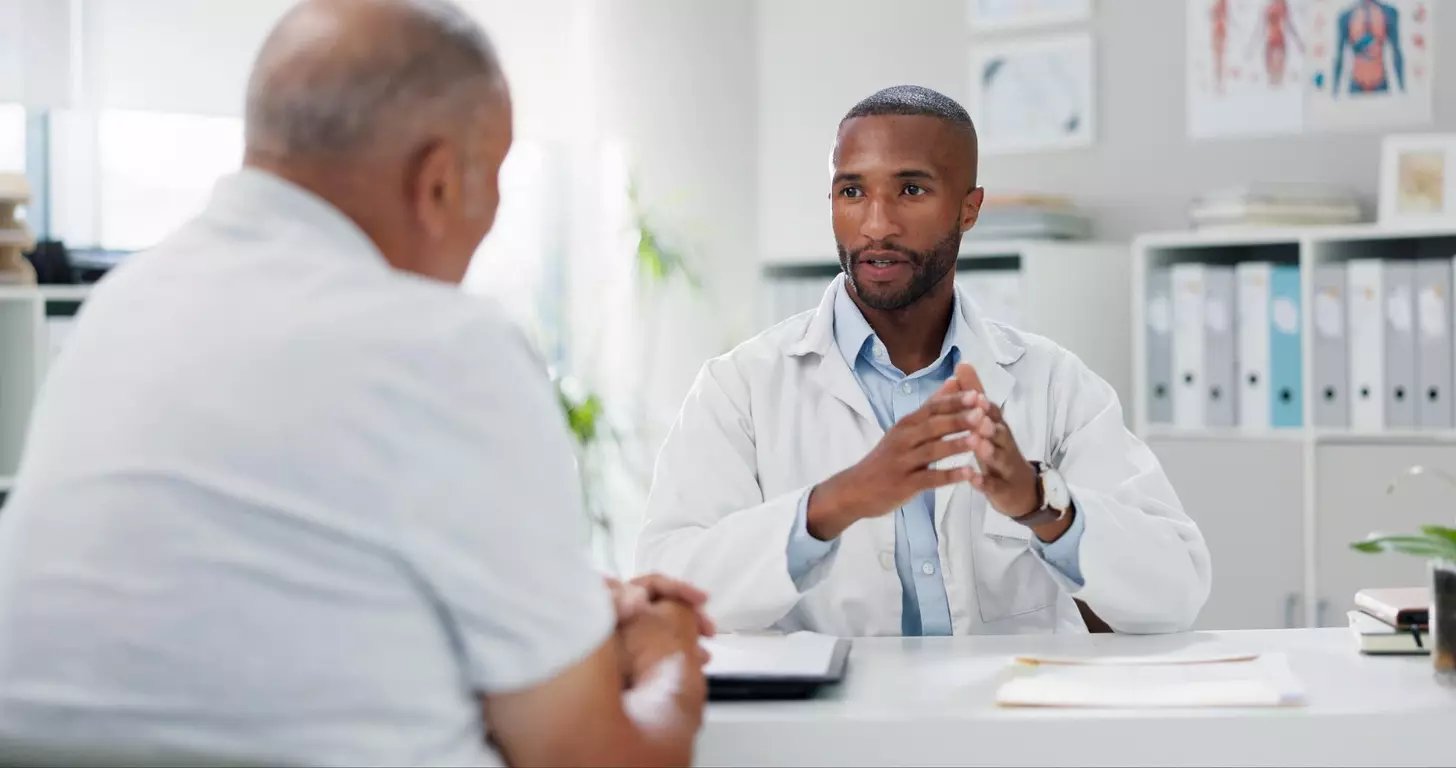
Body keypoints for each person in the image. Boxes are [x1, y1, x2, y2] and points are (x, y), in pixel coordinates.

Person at [0, 1, 711, 766]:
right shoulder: (448, 345)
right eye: (494, 179)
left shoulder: (120, 311)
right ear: (438, 183)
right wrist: (666, 653)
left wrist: (553, 615)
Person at [636, 85, 1211, 638]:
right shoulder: (740, 388)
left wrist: (1041, 504)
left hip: (1004, 725)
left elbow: (1176, 592)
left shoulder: (1053, 384)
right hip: (829, 732)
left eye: (911, 190)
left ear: (969, 209)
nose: (876, 224)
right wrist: (836, 502)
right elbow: (668, 585)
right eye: (851, 192)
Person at [1333, 0, 1404, 96]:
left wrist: (1402, 88)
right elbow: (1339, 56)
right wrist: (1334, 90)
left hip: (1380, 83)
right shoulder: (1346, 16)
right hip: (1357, 83)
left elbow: (1396, 52)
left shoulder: (1388, 12)